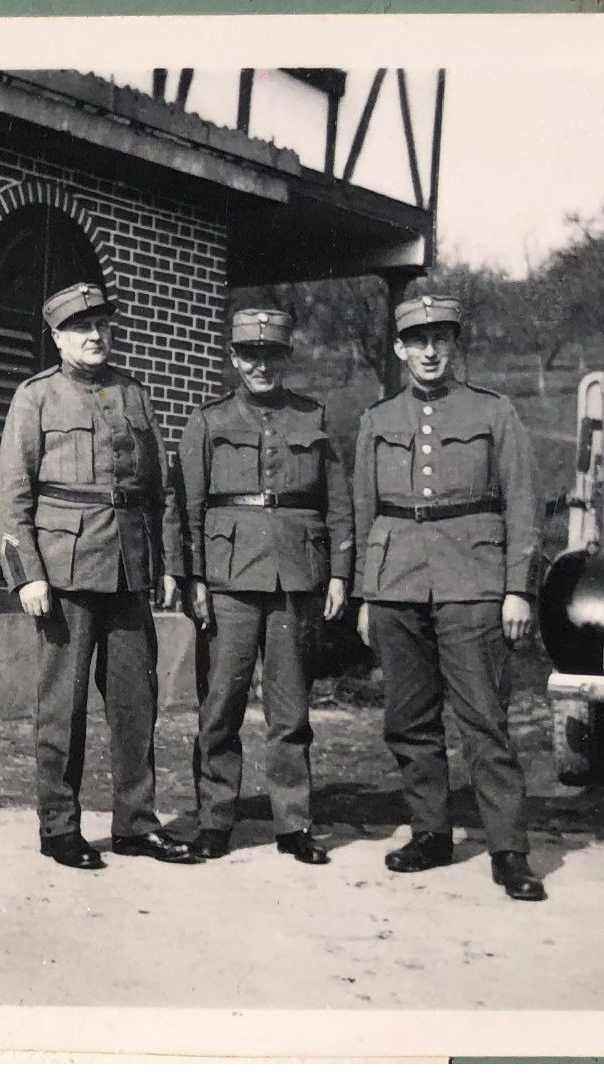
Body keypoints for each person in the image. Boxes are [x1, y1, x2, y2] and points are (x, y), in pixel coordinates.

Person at [0, 281, 199, 871]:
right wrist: (26, 574)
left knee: (137, 705)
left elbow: (158, 489)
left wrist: (162, 565)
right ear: (57, 338)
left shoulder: (131, 394)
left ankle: (136, 823)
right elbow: (10, 496)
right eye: (81, 328)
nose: (95, 336)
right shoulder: (35, 398)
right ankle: (59, 827)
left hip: (129, 569)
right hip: (64, 573)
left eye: (103, 326)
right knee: (64, 706)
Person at [351, 295, 546, 902]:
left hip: (475, 580)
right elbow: (363, 511)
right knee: (408, 719)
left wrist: (518, 588)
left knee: (484, 719)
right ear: (400, 349)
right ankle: (431, 833)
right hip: (396, 582)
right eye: (418, 340)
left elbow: (522, 503)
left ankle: (509, 849)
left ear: (454, 345)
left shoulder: (494, 411)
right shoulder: (377, 419)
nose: (430, 351)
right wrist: (366, 592)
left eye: (441, 339)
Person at [178, 308, 354, 865]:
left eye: (271, 355)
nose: (260, 365)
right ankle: (214, 819)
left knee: (290, 708)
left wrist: (341, 573)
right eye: (249, 355)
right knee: (220, 703)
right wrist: (195, 578)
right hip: (229, 579)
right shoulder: (208, 421)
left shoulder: (313, 417)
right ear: (234, 359)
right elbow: (186, 509)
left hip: (295, 576)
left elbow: (339, 504)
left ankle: (293, 823)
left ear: (286, 359)